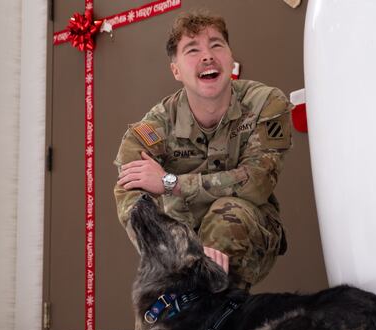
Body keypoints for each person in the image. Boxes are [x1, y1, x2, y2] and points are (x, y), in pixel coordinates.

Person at [114, 11, 292, 290]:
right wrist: (179, 250)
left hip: (249, 229)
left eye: (216, 45)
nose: (207, 56)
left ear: (230, 56)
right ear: (175, 70)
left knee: (226, 216)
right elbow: (131, 199)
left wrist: (169, 183)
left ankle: (217, 317)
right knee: (156, 321)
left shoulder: (265, 104)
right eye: (192, 49)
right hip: (181, 238)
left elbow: (257, 182)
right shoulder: (155, 126)